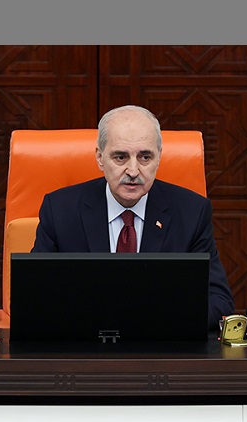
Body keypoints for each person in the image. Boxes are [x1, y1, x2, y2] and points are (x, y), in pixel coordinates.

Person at [32, 105, 234, 331]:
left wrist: (146, 319)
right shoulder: (60, 210)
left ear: (159, 158)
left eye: (145, 157)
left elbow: (219, 302)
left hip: (160, 345)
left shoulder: (192, 212)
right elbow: (33, 295)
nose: (133, 171)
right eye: (120, 157)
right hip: (84, 344)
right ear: (100, 158)